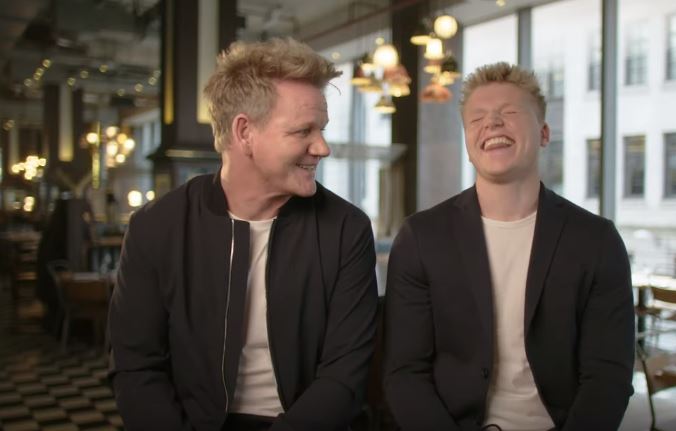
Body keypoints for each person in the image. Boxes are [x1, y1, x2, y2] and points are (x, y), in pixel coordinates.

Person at [108, 38, 379, 431]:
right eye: (303, 131)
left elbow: (344, 375)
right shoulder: (156, 227)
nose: (322, 147)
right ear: (244, 132)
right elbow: (135, 367)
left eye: (321, 129)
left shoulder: (346, 229)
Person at [383, 62, 634, 430]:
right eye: (477, 118)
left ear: (544, 133)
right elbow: (405, 372)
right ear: (468, 144)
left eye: (509, 113)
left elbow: (608, 377)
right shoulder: (421, 238)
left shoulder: (597, 241)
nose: (493, 123)